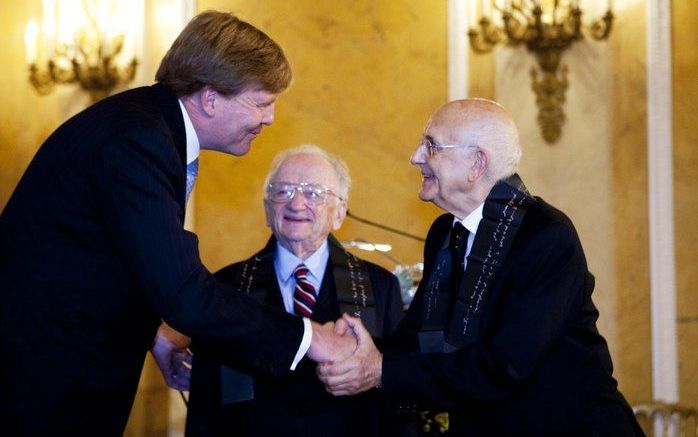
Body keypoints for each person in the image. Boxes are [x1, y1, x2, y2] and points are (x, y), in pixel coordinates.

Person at [0, 11, 352, 435]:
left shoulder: (146, 127)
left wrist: (158, 335)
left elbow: (123, 261)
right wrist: (311, 338)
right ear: (209, 97)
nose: (270, 118)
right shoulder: (138, 141)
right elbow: (184, 291)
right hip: (41, 382)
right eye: (261, 102)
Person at [318, 98, 643, 435]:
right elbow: (417, 340)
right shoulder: (444, 234)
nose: (416, 157)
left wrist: (381, 369)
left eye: (431, 146)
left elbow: (504, 366)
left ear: (476, 164)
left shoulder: (545, 236)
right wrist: (357, 351)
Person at [182, 145, 405, 436]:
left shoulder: (380, 287)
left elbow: (400, 391)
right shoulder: (226, 286)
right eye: (283, 192)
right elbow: (204, 407)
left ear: (339, 213)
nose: (296, 204)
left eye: (313, 193)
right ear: (266, 209)